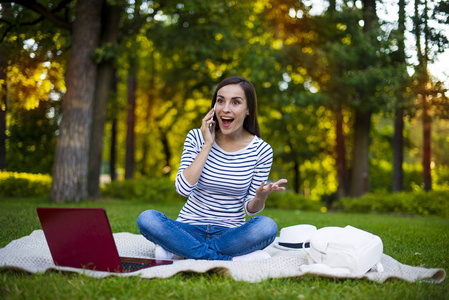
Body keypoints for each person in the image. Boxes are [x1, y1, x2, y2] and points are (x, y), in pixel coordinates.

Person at [137, 76, 287, 261]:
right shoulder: (196, 137)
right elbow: (183, 189)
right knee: (147, 218)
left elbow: (251, 209)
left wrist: (260, 197)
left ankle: (180, 251)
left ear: (248, 109)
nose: (225, 108)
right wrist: (208, 144)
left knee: (267, 226)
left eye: (236, 102)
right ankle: (227, 259)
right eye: (220, 100)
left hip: (230, 234)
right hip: (188, 229)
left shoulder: (261, 150)